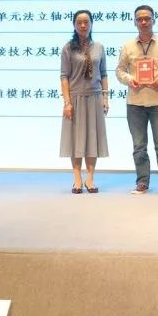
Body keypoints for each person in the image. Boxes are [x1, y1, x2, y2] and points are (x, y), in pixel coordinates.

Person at [116, 4, 158, 194]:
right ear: (135, 22)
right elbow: (120, 70)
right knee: (139, 146)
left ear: (153, 20)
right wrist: (129, 79)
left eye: (147, 18)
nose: (143, 22)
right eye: (139, 19)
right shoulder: (127, 46)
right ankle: (142, 182)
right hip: (135, 102)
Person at [60, 10, 109, 193]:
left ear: (91, 24)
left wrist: (105, 97)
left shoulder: (99, 47)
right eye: (79, 22)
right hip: (75, 98)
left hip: (95, 97)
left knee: (92, 138)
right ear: (74, 25)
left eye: (86, 22)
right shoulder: (68, 48)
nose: (83, 25)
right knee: (75, 139)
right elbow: (64, 76)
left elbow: (104, 74)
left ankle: (90, 179)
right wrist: (67, 102)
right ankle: (77, 180)